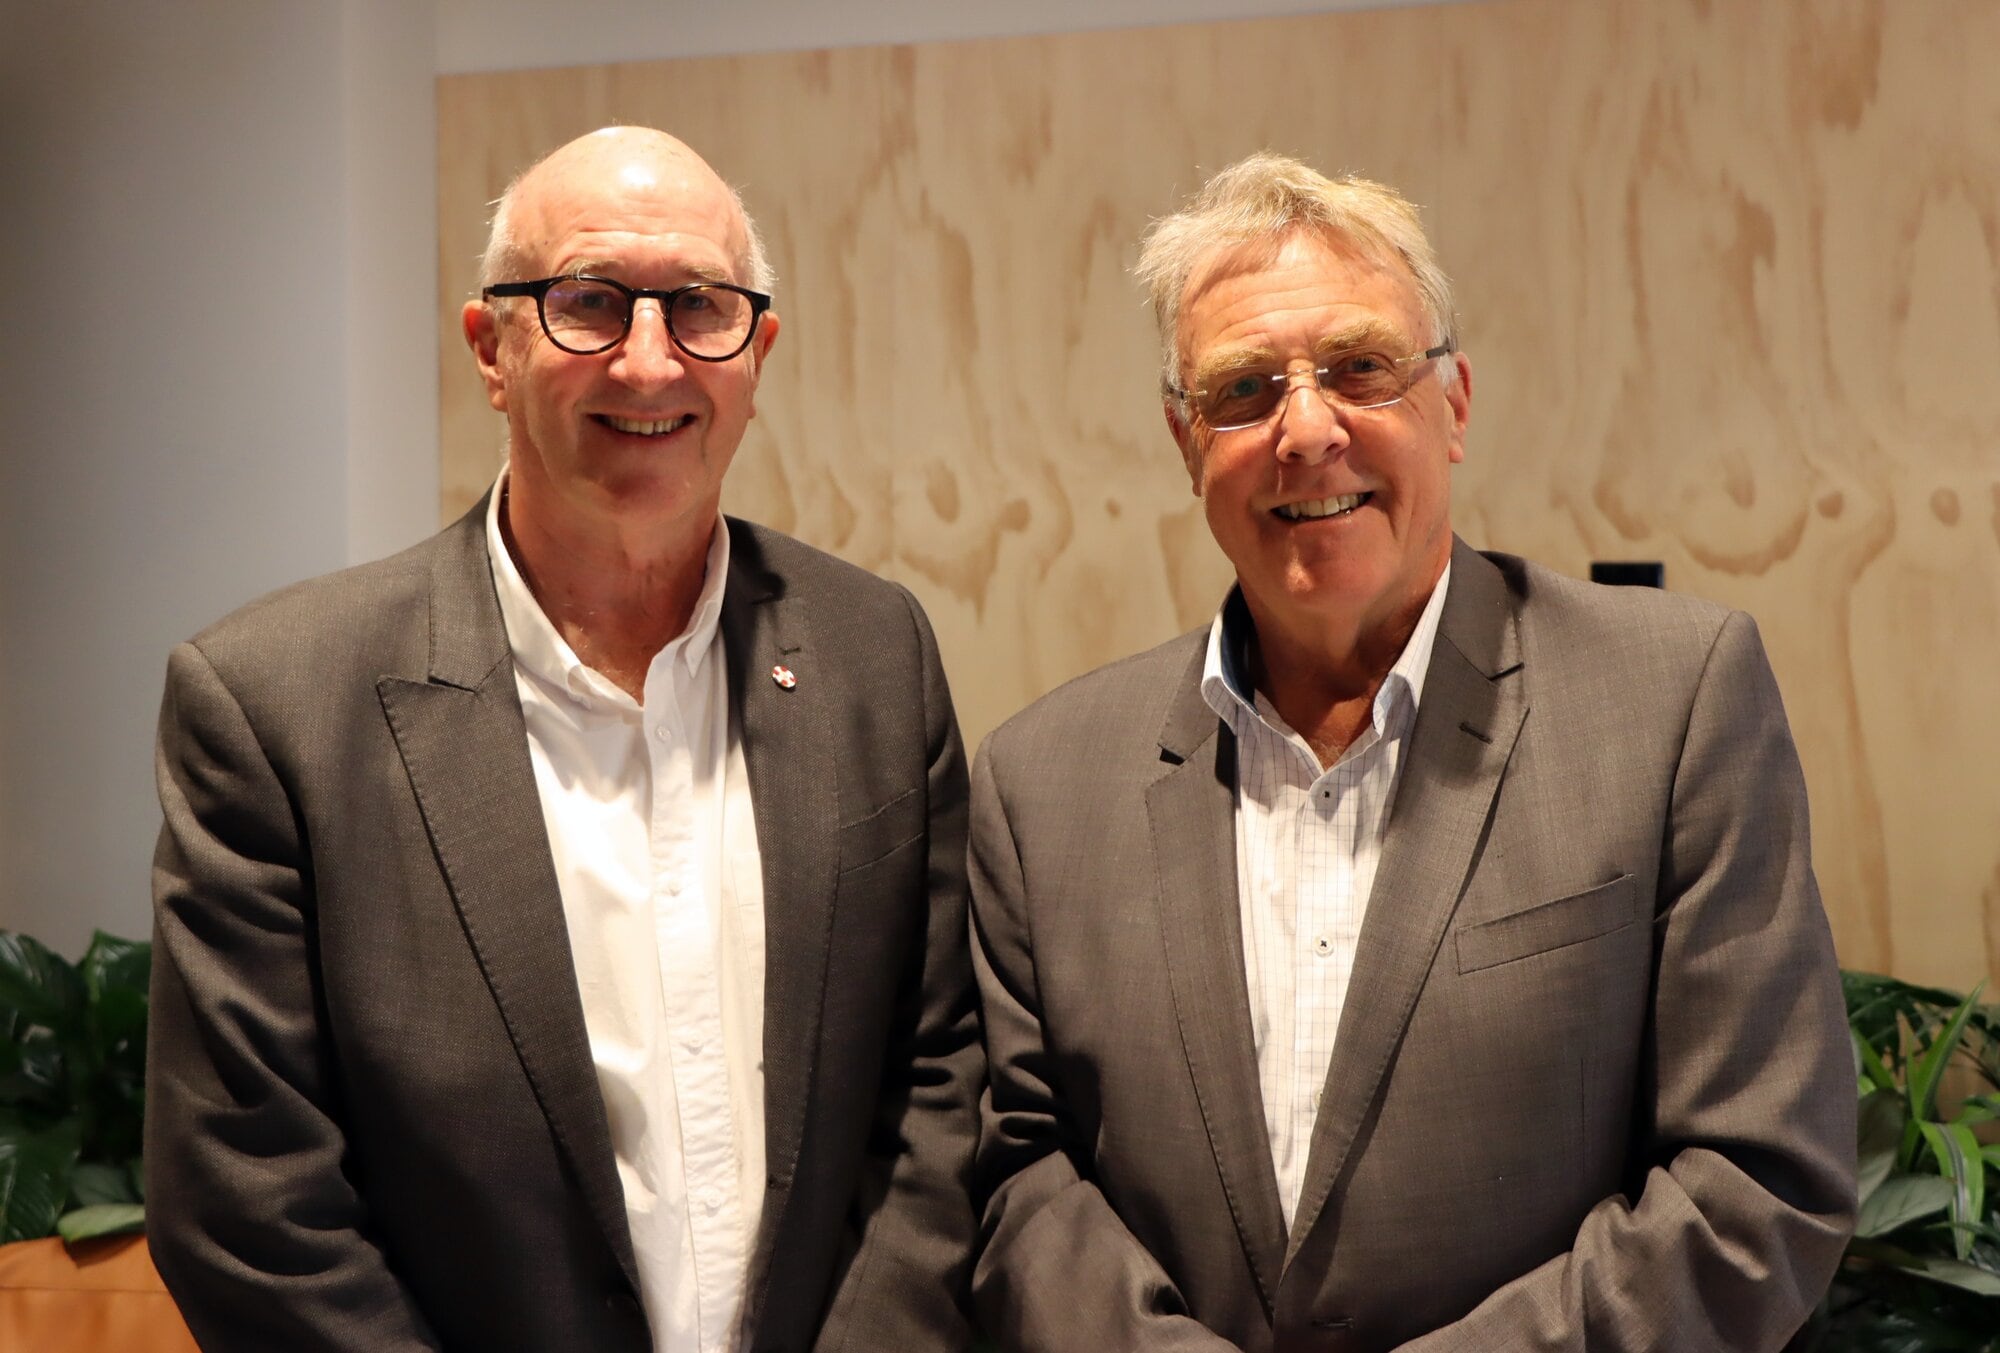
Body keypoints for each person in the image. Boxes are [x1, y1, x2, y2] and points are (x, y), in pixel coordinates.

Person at [968, 152, 1855, 1352]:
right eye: (1241, 391)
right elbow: (1020, 1170)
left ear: (1453, 403)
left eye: (1358, 369)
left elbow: (1756, 1182)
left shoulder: (1671, 701)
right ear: (1185, 442)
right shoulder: (1039, 783)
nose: (1305, 430)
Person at [146, 126, 981, 1353]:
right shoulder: (273, 706)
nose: (648, 364)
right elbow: (249, 1201)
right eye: (589, 303)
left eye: (699, 309)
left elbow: (939, 1089)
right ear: (492, 346)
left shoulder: (874, 654)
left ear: (757, 350)